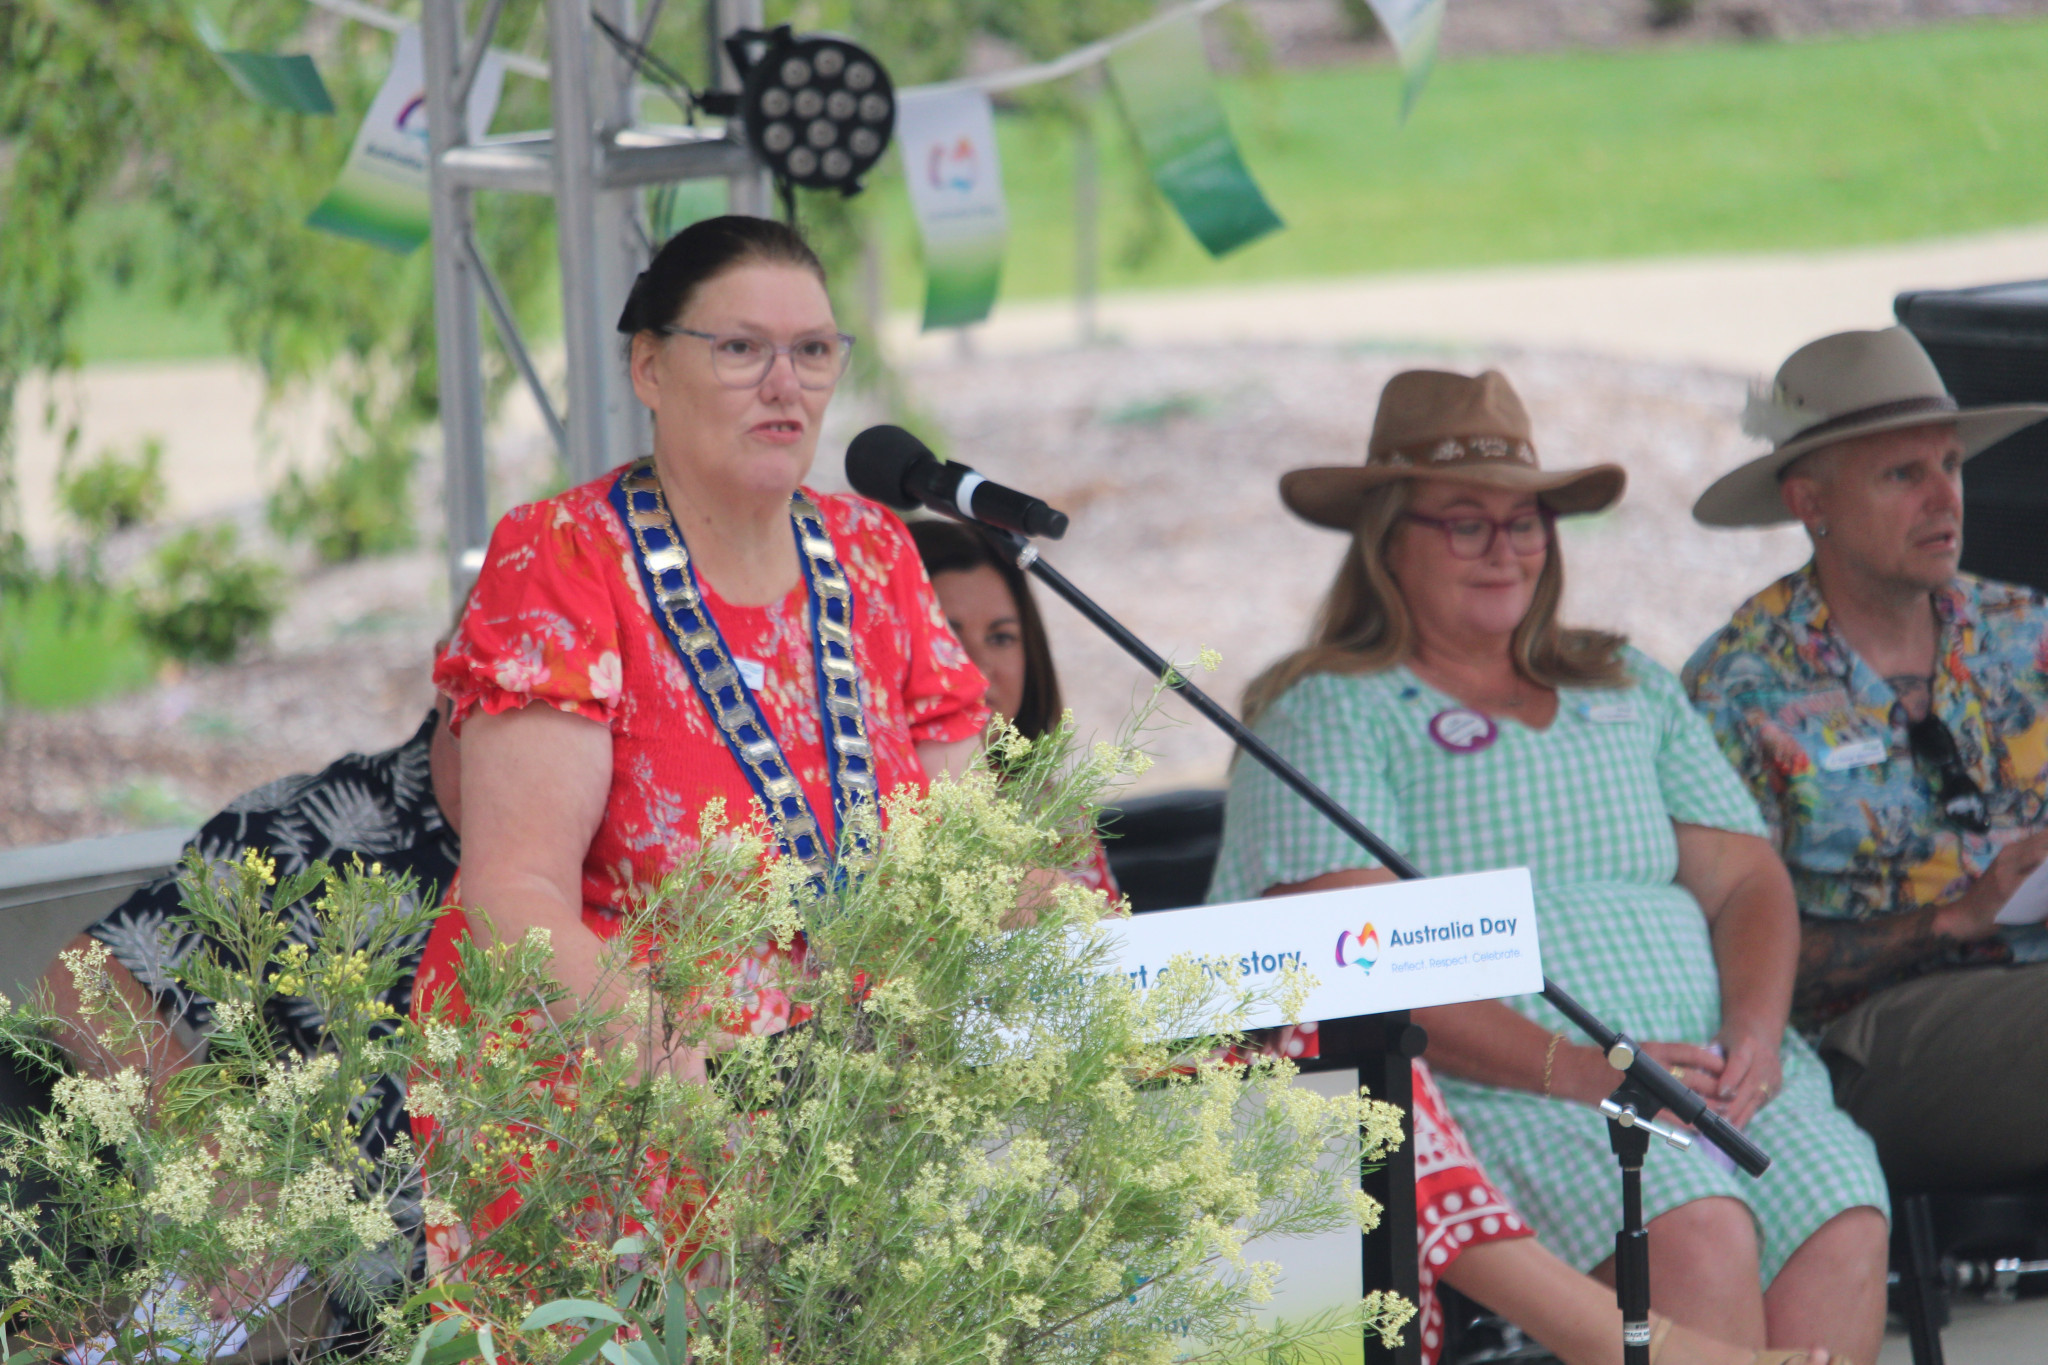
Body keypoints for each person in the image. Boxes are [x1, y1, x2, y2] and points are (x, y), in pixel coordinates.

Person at [1208, 369, 1887, 1364]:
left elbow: (1747, 881)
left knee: (1842, 1215)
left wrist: (1753, 1035)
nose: (1506, 549)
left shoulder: (1625, 682)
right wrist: (1586, 1074)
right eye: (1465, 524)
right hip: (1508, 1094)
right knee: (1695, 1229)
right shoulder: (1327, 710)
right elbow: (1356, 963)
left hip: (1713, 1078)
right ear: (1387, 539)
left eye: (1525, 522)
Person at [416, 216, 988, 1267]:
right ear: (648, 366)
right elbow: (513, 890)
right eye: (739, 349)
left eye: (812, 350)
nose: (785, 384)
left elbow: (970, 845)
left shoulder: (875, 552)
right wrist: (673, 1071)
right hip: (620, 1111)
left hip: (858, 1123)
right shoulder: (566, 557)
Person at [1683, 325, 2048, 1188]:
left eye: (1951, 465)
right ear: (1810, 502)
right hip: (1868, 1035)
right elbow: (1719, 953)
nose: (1945, 498)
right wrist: (1952, 919)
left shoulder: (2023, 630)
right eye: (1902, 474)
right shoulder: (1742, 684)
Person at [41, 690, 462, 1356]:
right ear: (453, 674)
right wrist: (222, 1157)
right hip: (370, 1331)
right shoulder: (314, 830)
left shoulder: (620, 855)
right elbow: (84, 979)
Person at [908, 517, 1115, 896]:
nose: (978, 667)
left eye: (1001, 638)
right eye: (947, 637)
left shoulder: (1058, 814)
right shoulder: (871, 819)